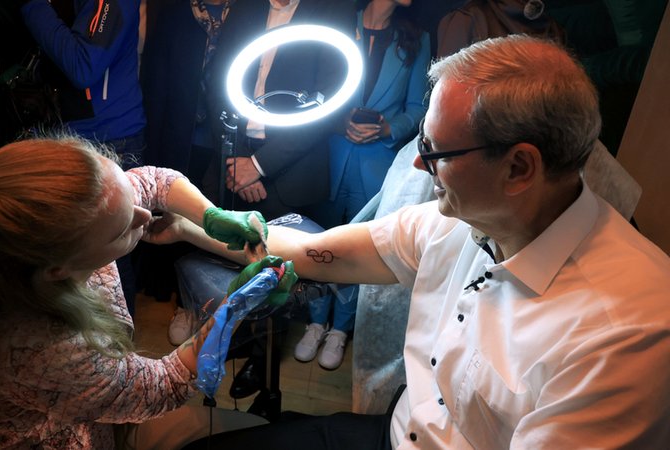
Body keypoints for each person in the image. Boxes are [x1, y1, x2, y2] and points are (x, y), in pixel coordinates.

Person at [158, 35, 670, 449]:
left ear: (519, 167)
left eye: (434, 149)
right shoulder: (459, 220)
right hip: (400, 431)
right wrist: (188, 222)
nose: (420, 164)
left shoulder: (625, 337)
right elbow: (307, 252)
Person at [0, 135, 296, 449]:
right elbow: (163, 386)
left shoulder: (58, 227)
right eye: (122, 229)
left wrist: (209, 214)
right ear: (60, 270)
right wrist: (231, 309)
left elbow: (152, 182)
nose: (143, 216)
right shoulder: (45, 348)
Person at [296, 0, 430, 371]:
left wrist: (388, 129)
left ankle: (340, 329)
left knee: (357, 246)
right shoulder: (336, 23)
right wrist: (339, 124)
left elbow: (419, 108)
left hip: (377, 162)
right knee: (317, 238)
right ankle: (315, 321)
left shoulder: (416, 39)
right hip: (326, 154)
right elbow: (311, 88)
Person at [17, 0, 147, 310]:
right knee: (79, 253)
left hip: (112, 140)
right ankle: (94, 343)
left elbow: (83, 66)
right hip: (73, 137)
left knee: (111, 255)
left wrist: (32, 5)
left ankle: (119, 349)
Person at [139, 0, 237, 340]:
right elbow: (156, 80)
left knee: (216, 220)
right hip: (180, 134)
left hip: (227, 138)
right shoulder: (176, 12)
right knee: (180, 218)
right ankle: (183, 304)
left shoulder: (246, 13)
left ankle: (211, 306)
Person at [206, 0, 356, 219]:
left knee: (274, 252)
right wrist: (238, 161)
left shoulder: (334, 9)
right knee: (206, 246)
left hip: (290, 179)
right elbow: (219, 84)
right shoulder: (247, 5)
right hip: (231, 165)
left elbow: (325, 109)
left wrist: (257, 166)